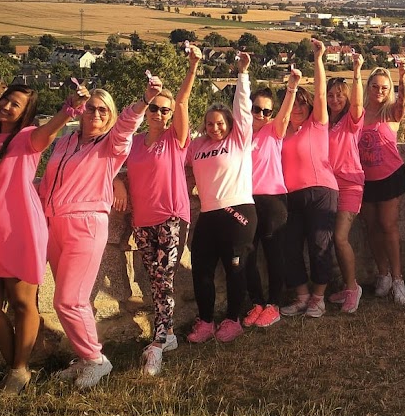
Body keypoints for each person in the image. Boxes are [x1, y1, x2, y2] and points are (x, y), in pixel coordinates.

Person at [39, 76, 154, 389]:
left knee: (68, 300)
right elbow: (49, 180)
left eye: (104, 110)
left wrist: (144, 101)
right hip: (54, 224)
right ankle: (84, 356)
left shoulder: (111, 145)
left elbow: (127, 126)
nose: (97, 114)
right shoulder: (66, 141)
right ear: (82, 111)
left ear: (111, 115)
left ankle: (96, 360)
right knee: (74, 301)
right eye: (91, 108)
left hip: (86, 225)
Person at [0, 84, 75, 393]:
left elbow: (50, 130)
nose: (6, 106)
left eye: (15, 104)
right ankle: (16, 368)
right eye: (5, 99)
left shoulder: (28, 137)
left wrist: (69, 108)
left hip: (19, 229)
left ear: (25, 112)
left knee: (21, 302)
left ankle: (18, 371)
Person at [114, 46, 199, 374]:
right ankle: (169, 334)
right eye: (154, 108)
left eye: (165, 110)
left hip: (171, 218)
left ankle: (160, 340)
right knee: (154, 279)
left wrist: (192, 66)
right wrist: (118, 183)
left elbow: (183, 101)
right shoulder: (135, 143)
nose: (159, 114)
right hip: (142, 221)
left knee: (163, 279)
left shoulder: (176, 139)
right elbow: (112, 163)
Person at [183, 51, 259, 344]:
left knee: (235, 268)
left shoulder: (238, 140)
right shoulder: (197, 146)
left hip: (238, 211)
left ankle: (233, 320)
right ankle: (205, 322)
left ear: (229, 124)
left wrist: (243, 74)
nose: (214, 128)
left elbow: (242, 109)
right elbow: (176, 159)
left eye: (220, 123)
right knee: (201, 269)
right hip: (209, 214)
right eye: (209, 123)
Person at [279, 40, 339, 317]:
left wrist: (318, 59)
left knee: (319, 245)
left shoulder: (317, 124)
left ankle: (318, 298)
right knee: (290, 246)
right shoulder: (280, 132)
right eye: (294, 104)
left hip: (321, 191)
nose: (299, 109)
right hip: (290, 196)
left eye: (303, 104)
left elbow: (321, 91)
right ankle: (302, 296)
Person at [243, 77, 297, 330]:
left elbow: (285, 115)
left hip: (273, 200)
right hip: (246, 200)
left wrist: (292, 87)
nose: (261, 115)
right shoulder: (240, 134)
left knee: (274, 254)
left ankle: (274, 305)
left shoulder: (274, 131)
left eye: (267, 111)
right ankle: (256, 302)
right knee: (247, 254)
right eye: (257, 109)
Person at [358, 58, 405, 304]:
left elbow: (403, 103)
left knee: (388, 226)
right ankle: (383, 274)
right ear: (368, 86)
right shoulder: (357, 113)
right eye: (375, 86)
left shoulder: (389, 112)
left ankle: (398, 280)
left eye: (384, 88)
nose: (379, 91)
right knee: (371, 227)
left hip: (390, 176)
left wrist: (402, 77)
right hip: (364, 178)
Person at [325, 53, 366, 313]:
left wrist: (357, 71)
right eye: (331, 95)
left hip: (350, 184)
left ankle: (353, 288)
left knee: (340, 238)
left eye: (340, 95)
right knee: (330, 239)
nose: (335, 99)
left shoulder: (351, 121)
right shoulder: (323, 122)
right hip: (328, 186)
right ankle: (345, 286)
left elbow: (359, 103)